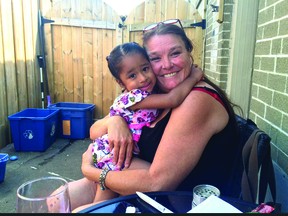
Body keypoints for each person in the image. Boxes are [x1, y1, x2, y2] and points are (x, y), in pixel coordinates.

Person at [68, 19, 241, 212]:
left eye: (175, 53)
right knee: (55, 200)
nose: (166, 65)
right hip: (127, 180)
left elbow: (156, 184)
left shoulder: (197, 100)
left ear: (189, 51)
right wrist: (116, 121)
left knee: (80, 210)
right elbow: (94, 130)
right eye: (156, 58)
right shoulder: (152, 92)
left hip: (173, 203)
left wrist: (92, 172)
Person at [91, 42, 203, 203]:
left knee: (107, 202)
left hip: (116, 153)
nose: (143, 78)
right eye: (132, 76)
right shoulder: (133, 97)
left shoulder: (148, 93)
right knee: (150, 180)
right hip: (113, 155)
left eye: (145, 69)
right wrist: (194, 77)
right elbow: (173, 99)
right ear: (121, 83)